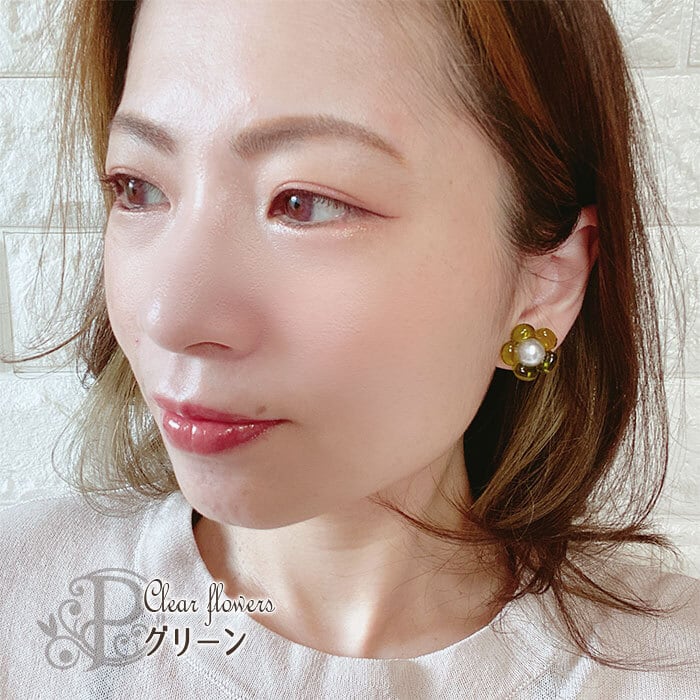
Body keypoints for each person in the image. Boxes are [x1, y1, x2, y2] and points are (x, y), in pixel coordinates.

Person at [0, 0, 697, 697]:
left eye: (305, 202)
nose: (169, 317)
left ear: (546, 282)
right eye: (138, 189)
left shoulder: (669, 669)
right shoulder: (23, 606)